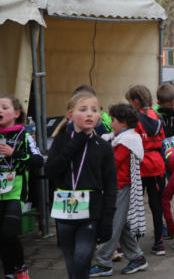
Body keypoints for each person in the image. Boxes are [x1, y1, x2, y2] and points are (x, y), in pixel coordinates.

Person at [46, 92, 117, 279]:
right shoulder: (61, 140)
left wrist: (108, 219)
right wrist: (76, 141)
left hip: (91, 212)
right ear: (70, 115)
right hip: (64, 210)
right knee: (72, 263)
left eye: (94, 110)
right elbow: (51, 170)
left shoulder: (103, 146)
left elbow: (111, 185)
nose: (89, 114)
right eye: (83, 109)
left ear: (99, 116)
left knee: (82, 257)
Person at [90, 104, 148, 277]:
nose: (111, 123)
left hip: (121, 187)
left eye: (113, 120)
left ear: (123, 123)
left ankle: (103, 263)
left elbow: (113, 163)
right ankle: (137, 258)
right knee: (122, 226)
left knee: (113, 225)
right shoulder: (118, 137)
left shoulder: (126, 141)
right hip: (117, 187)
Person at [0, 95, 43, 279]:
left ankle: (20, 266)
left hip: (15, 192)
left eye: (4, 107)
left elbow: (38, 160)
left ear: (16, 113)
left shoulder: (24, 136)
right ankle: (9, 271)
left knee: (9, 233)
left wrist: (14, 153)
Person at [125, 85, 166, 256]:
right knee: (157, 205)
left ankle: (132, 243)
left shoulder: (134, 119)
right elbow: (163, 138)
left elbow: (130, 140)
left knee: (135, 205)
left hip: (140, 165)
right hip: (157, 165)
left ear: (135, 102)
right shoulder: (157, 116)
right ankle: (159, 242)